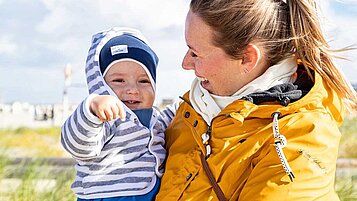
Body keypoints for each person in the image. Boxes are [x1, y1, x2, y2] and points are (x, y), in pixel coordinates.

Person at [156, 0, 357, 200]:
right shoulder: (191, 110)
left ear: (247, 58)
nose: (185, 63)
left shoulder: (299, 142)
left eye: (195, 53)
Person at [61, 27, 173, 200]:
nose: (132, 90)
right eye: (119, 81)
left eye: (144, 81)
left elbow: (178, 113)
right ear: (100, 84)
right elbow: (78, 145)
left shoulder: (155, 118)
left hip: (149, 192)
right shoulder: (106, 119)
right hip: (107, 195)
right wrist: (91, 108)